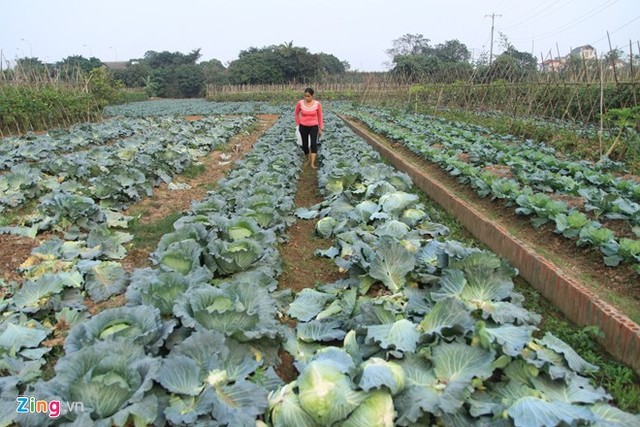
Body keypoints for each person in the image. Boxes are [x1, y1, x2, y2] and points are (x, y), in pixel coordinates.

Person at [294, 87, 323, 169]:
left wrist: (320, 128)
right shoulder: (300, 103)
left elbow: (320, 116)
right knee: (305, 145)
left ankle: (312, 163)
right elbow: (296, 113)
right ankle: (308, 159)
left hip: (314, 126)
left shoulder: (317, 104)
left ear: (312, 96)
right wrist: (298, 124)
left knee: (314, 144)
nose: (306, 98)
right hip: (303, 127)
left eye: (308, 96)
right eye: (305, 96)